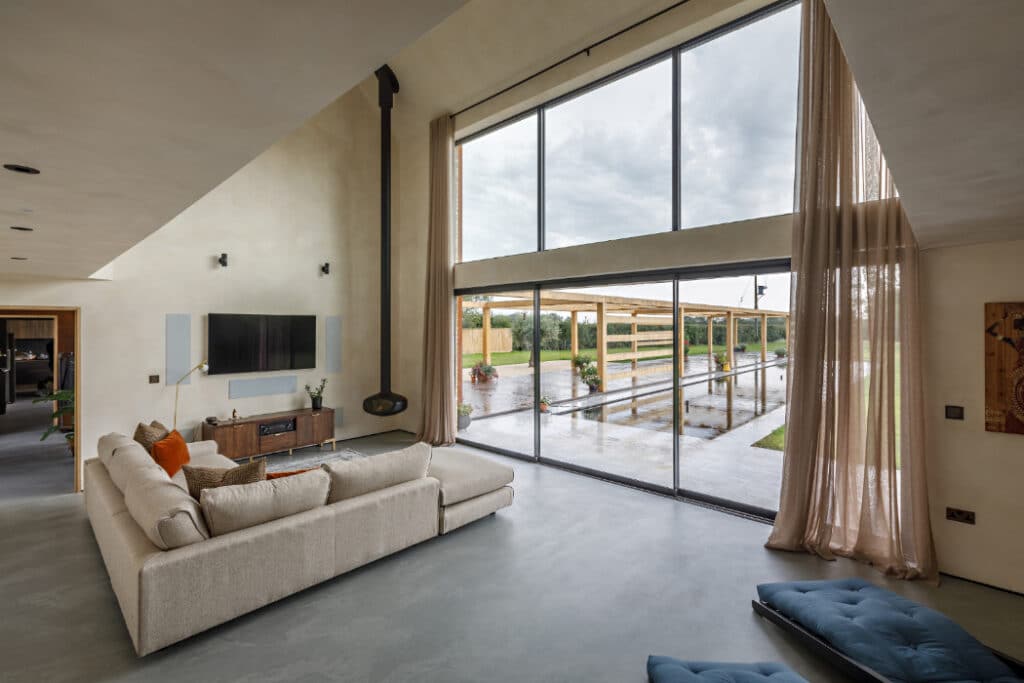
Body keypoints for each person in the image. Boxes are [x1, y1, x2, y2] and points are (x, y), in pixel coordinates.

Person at [986, 317, 1024, 434]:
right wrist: (1002, 319)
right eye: (1019, 330)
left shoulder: (1016, 342)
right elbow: (990, 331)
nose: (1019, 333)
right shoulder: (1016, 342)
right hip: (1018, 375)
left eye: (1021, 329)